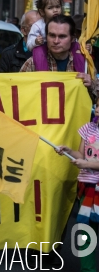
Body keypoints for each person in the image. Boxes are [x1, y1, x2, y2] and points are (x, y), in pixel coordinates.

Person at [55, 102, 99, 272]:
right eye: (97, 105)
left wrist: (87, 163)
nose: (98, 109)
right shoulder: (88, 128)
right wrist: (69, 151)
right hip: (86, 188)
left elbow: (86, 162)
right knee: (86, 233)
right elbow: (81, 155)